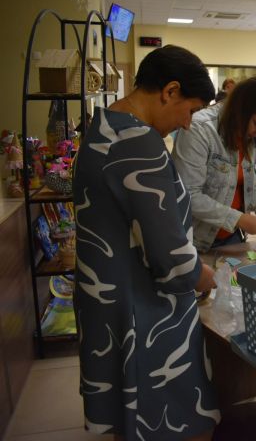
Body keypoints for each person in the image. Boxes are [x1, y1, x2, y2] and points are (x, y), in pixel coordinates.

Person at [73, 45, 220, 440]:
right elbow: (168, 255)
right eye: (189, 110)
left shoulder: (103, 125)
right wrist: (200, 274)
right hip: (143, 309)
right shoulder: (140, 143)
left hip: (104, 296)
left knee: (125, 410)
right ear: (170, 91)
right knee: (173, 418)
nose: (188, 124)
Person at [172, 75, 256, 396]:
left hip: (231, 239)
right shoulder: (200, 129)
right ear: (240, 111)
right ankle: (195, 384)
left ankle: (242, 372)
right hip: (196, 239)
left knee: (238, 307)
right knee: (198, 313)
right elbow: (187, 195)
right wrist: (238, 218)